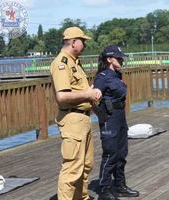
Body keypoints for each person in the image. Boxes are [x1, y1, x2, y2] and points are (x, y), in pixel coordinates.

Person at [50, 26, 102, 200]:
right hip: (72, 119)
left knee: (86, 166)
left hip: (83, 119)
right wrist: (87, 94)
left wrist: (92, 96)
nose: (84, 45)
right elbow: (62, 96)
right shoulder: (61, 64)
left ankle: (82, 197)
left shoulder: (75, 62)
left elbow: (79, 90)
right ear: (73, 42)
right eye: (82, 41)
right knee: (72, 169)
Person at [93, 45, 139, 200]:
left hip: (120, 117)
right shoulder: (102, 76)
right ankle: (104, 189)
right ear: (109, 59)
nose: (121, 60)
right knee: (110, 154)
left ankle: (119, 186)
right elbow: (94, 97)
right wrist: (102, 115)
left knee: (121, 154)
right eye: (119, 58)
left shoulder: (117, 75)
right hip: (109, 118)